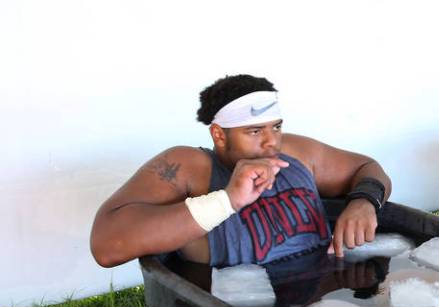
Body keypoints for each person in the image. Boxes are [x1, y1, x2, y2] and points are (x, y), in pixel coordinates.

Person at [90, 74, 392, 268]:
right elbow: (106, 245)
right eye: (254, 131)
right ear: (220, 136)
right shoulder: (189, 167)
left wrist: (364, 202)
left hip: (332, 287)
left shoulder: (296, 152)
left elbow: (367, 167)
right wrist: (227, 200)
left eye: (276, 127)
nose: (271, 141)